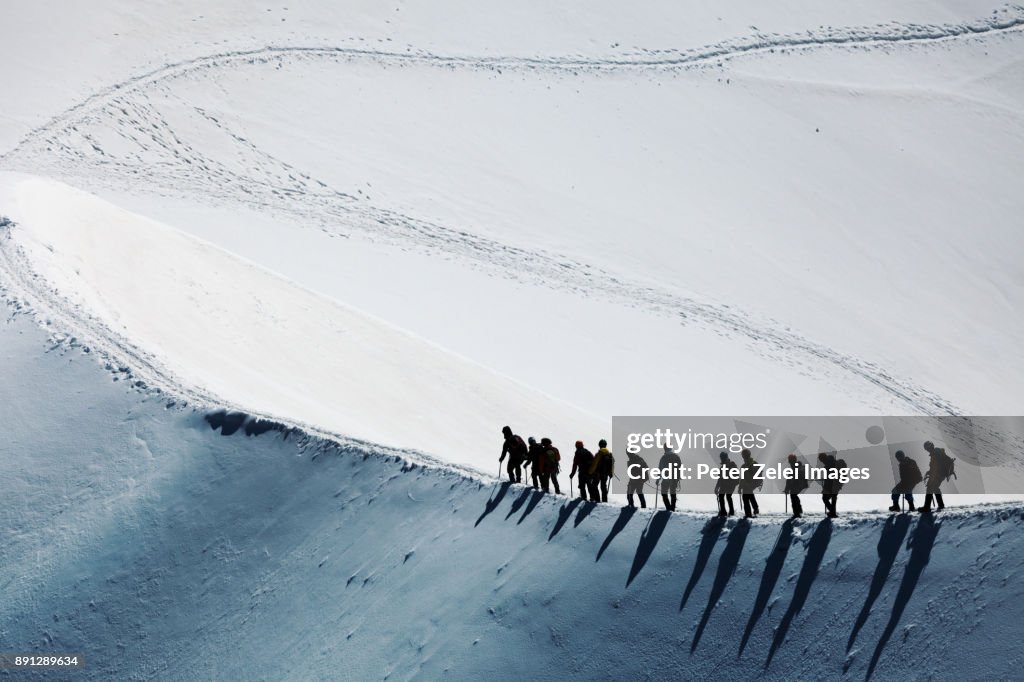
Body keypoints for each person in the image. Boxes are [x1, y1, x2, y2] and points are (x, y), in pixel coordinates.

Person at [920, 441, 948, 512]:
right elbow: (934, 467)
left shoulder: (935, 454)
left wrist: (931, 476)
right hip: (940, 474)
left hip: (938, 475)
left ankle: (926, 507)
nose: (927, 450)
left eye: (927, 448)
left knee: (930, 488)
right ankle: (941, 505)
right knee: (935, 488)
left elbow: (936, 467)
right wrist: (929, 472)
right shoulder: (936, 452)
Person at [714, 451, 738, 517]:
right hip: (725, 484)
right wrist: (717, 487)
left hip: (731, 484)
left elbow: (736, 475)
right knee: (722, 496)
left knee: (728, 496)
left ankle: (730, 511)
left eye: (722, 457)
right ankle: (724, 511)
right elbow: (720, 478)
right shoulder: (723, 467)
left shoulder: (732, 465)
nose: (722, 459)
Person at [784, 453, 807, 518]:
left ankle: (797, 513)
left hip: (795, 484)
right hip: (799, 484)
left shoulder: (794, 467)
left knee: (793, 497)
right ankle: (799, 510)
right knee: (794, 496)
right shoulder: (798, 466)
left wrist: (786, 489)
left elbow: (789, 479)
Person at [739, 448, 760, 518]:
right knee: (750, 496)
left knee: (746, 497)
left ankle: (749, 514)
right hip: (749, 484)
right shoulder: (753, 463)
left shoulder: (745, 465)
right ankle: (755, 509)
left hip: (749, 484)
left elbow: (742, 478)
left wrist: (740, 487)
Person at [659, 445, 681, 511]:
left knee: (664, 492)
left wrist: (658, 478)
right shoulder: (676, 456)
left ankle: (668, 507)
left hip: (666, 478)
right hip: (674, 478)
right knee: (672, 492)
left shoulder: (663, 457)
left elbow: (660, 468)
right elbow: (679, 467)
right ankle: (672, 507)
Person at [818, 452, 839, 518]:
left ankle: (832, 512)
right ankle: (833, 513)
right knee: (833, 498)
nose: (822, 461)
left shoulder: (829, 464)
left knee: (825, 498)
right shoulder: (832, 462)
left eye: (821, 460)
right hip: (836, 483)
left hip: (831, 484)